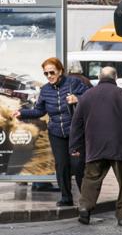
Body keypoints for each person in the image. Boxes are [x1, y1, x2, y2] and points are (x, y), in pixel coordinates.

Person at [69, 66, 122, 226]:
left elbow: (76, 124)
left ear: (99, 77)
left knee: (91, 178)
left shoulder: (87, 96)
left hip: (94, 146)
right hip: (119, 145)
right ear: (115, 78)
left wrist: (74, 146)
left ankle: (84, 209)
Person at [11, 57, 89, 206]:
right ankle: (66, 197)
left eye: (52, 72)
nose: (49, 76)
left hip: (75, 132)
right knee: (61, 165)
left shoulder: (74, 83)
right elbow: (39, 111)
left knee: (78, 165)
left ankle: (86, 199)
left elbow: (91, 96)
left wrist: (77, 99)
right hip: (56, 133)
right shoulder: (45, 90)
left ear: (60, 71)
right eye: (46, 74)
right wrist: (22, 113)